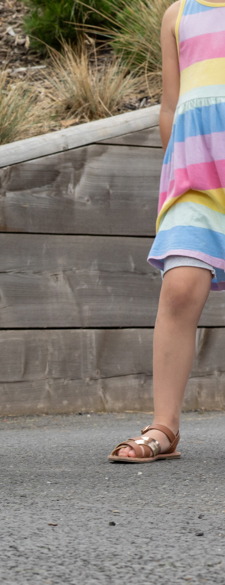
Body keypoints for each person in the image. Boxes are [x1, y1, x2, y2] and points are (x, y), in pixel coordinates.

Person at [108, 0, 225, 463]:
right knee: (178, 289)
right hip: (195, 182)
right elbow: (171, 105)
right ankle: (164, 427)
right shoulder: (178, 15)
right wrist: (171, 170)